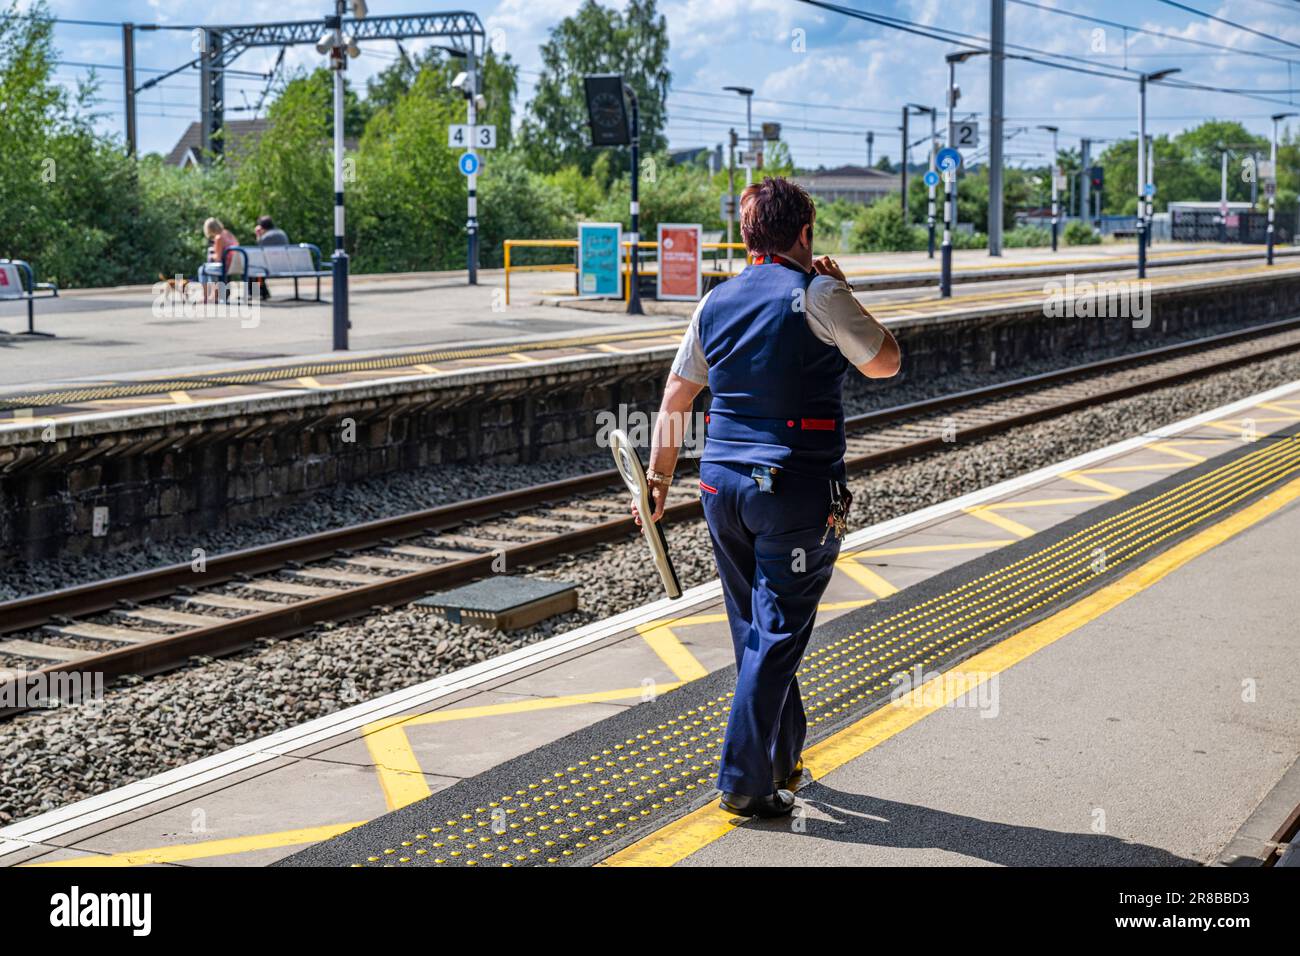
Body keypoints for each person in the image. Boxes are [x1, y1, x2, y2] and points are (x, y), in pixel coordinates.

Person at [634, 176, 901, 819]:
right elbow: (887, 362)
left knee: (756, 629)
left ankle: (783, 758)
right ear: (804, 235)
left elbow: (676, 400)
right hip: (793, 488)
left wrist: (659, 481)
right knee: (778, 632)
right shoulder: (820, 292)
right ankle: (743, 778)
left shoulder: (715, 302)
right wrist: (847, 296)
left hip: (719, 487)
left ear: (751, 236)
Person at [200, 217, 240, 303]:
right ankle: (215, 294)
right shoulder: (228, 233)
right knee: (210, 265)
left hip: (226, 265)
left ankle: (207, 297)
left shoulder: (218, 238)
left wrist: (212, 255)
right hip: (235, 264)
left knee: (202, 269)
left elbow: (217, 257)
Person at [253, 216, 289, 301]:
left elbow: (259, 248)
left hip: (271, 267)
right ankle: (262, 292)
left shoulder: (266, 237)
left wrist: (258, 234)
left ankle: (257, 293)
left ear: (262, 226)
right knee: (257, 270)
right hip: (286, 265)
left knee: (254, 269)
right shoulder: (282, 233)